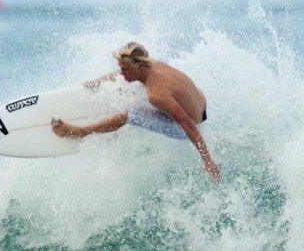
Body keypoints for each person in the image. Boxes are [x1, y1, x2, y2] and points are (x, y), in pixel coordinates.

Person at [51, 42, 220, 181]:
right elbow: (122, 71)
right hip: (201, 103)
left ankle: (81, 131)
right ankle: (109, 119)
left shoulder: (157, 95)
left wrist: (207, 159)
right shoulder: (154, 64)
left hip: (189, 124)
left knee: (130, 114)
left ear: (140, 67)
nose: (122, 74)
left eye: (126, 70)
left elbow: (186, 123)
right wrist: (98, 82)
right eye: (121, 69)